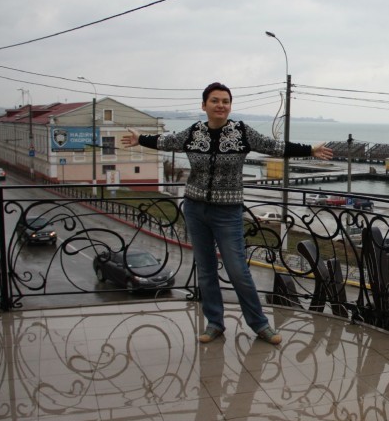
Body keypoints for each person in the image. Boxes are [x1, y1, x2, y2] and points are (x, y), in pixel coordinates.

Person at [121, 82, 333, 345]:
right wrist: (140, 139)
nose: (220, 105)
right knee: (206, 269)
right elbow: (166, 141)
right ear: (204, 105)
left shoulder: (241, 132)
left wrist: (309, 150)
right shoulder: (194, 132)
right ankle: (214, 323)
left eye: (225, 101)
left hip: (228, 212)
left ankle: (260, 324)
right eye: (215, 100)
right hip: (195, 209)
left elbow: (273, 146)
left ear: (230, 106)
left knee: (238, 270)